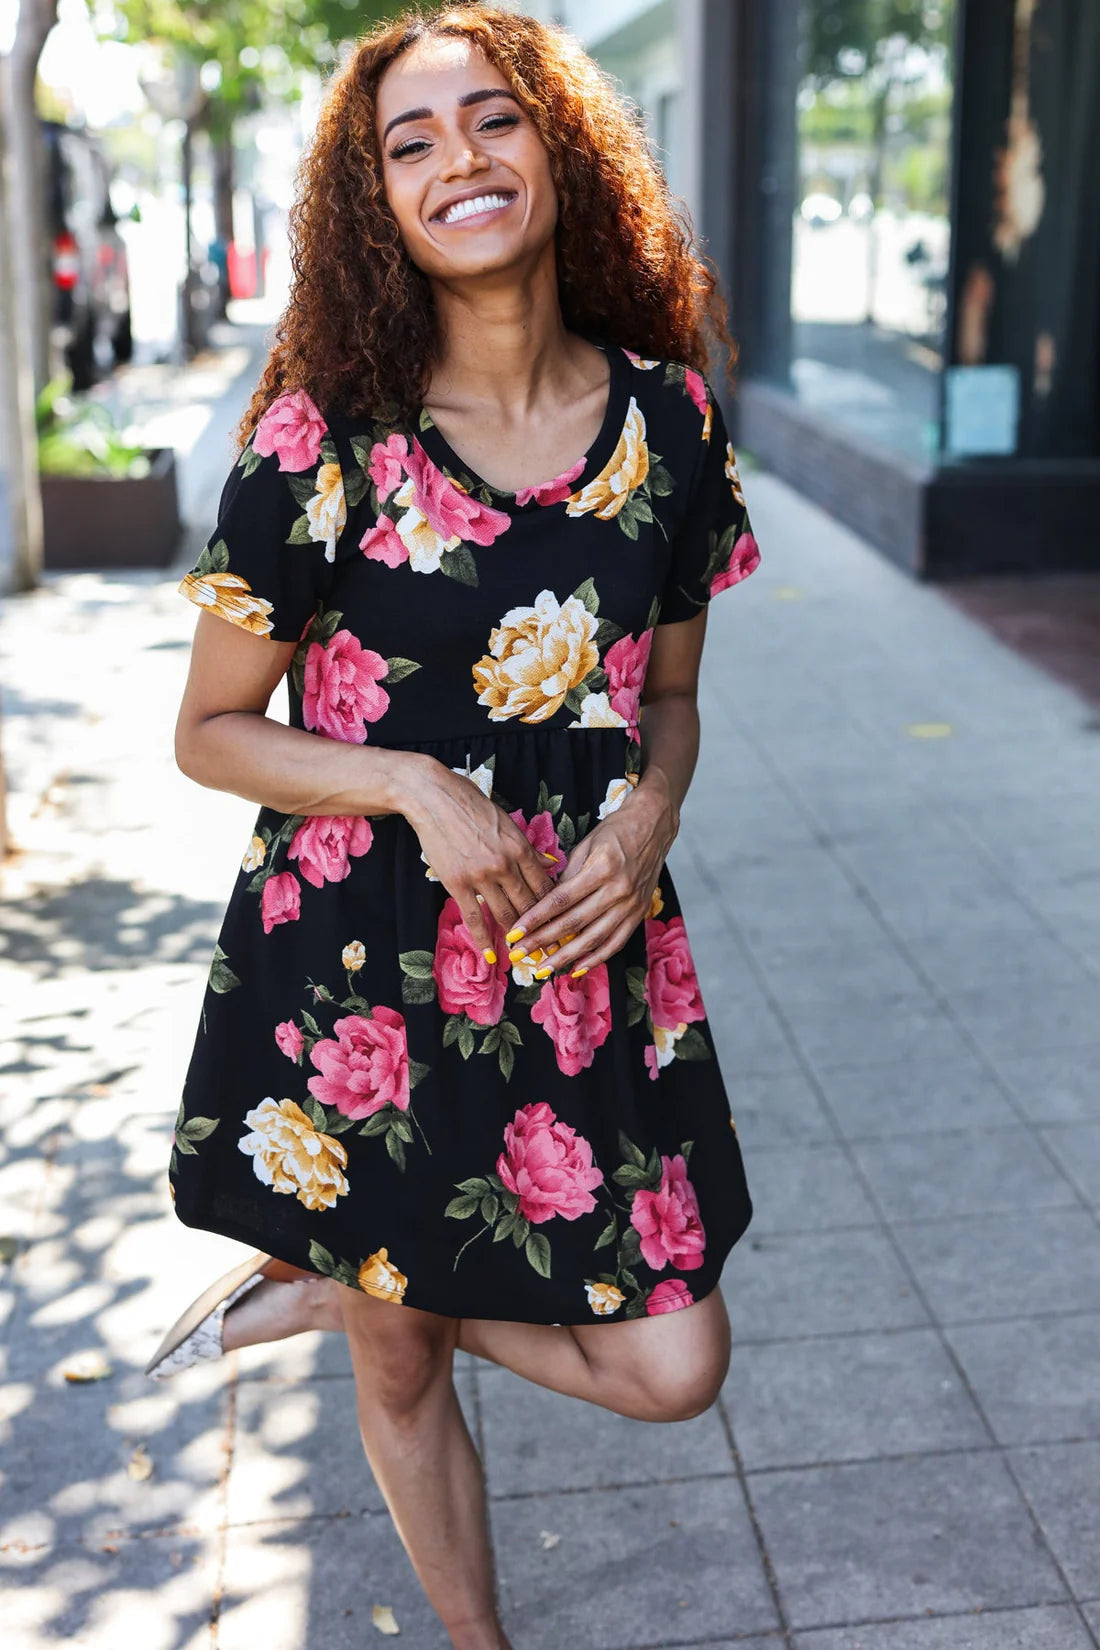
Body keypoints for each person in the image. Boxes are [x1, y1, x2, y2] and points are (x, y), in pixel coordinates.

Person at [149, 5, 761, 1644]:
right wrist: (413, 779)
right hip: (354, 968)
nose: (459, 162)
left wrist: (650, 810)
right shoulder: (318, 435)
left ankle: (337, 1271)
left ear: (561, 148)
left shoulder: (675, 428)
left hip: (577, 953)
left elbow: (674, 699)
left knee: (672, 1358)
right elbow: (209, 732)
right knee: (401, 1357)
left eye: (491, 120)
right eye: (409, 142)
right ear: (377, 202)